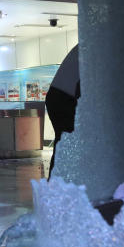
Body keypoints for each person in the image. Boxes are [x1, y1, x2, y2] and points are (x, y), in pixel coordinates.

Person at [45, 44, 80, 180]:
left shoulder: (87, 44)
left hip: (58, 96)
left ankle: (55, 184)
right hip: (64, 97)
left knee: (64, 143)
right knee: (66, 143)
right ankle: (58, 184)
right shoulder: (95, 44)